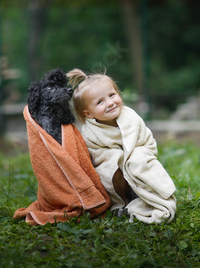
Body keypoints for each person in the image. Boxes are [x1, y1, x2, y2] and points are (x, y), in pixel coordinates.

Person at [67, 69, 177, 223]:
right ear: (89, 114)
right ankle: (122, 202)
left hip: (137, 163)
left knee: (138, 160)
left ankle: (154, 198)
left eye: (112, 95)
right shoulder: (89, 132)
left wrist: (134, 156)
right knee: (110, 166)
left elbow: (146, 141)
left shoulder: (130, 117)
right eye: (100, 102)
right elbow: (94, 156)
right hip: (115, 174)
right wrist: (118, 158)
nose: (110, 103)